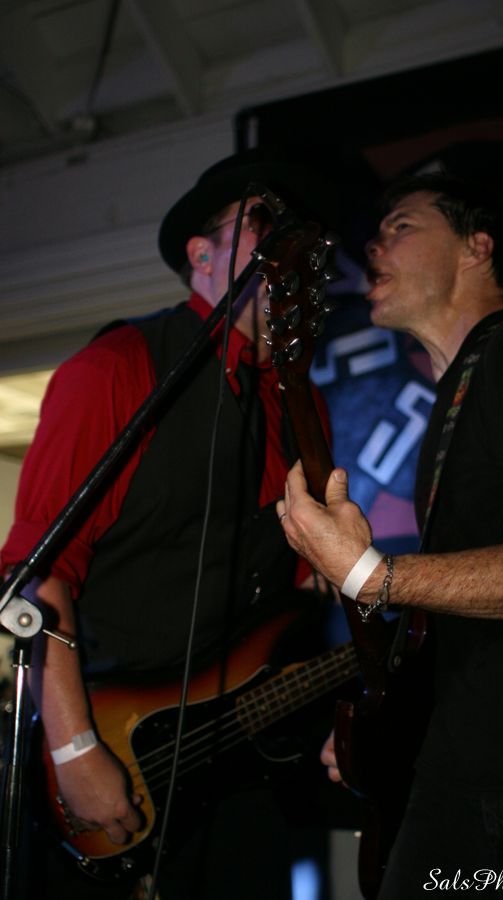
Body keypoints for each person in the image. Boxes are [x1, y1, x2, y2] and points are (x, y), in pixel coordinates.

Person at [0, 150, 340, 900]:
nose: (288, 246)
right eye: (264, 224)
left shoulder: (302, 403)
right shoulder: (117, 367)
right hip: (117, 751)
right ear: (202, 254)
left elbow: (299, 592)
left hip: (246, 769)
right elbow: (40, 574)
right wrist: (74, 751)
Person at [277, 171, 503, 897]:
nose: (374, 245)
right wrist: (389, 730)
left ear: (476, 248)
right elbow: (463, 627)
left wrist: (371, 573)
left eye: (402, 227)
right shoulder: (457, 396)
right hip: (465, 771)